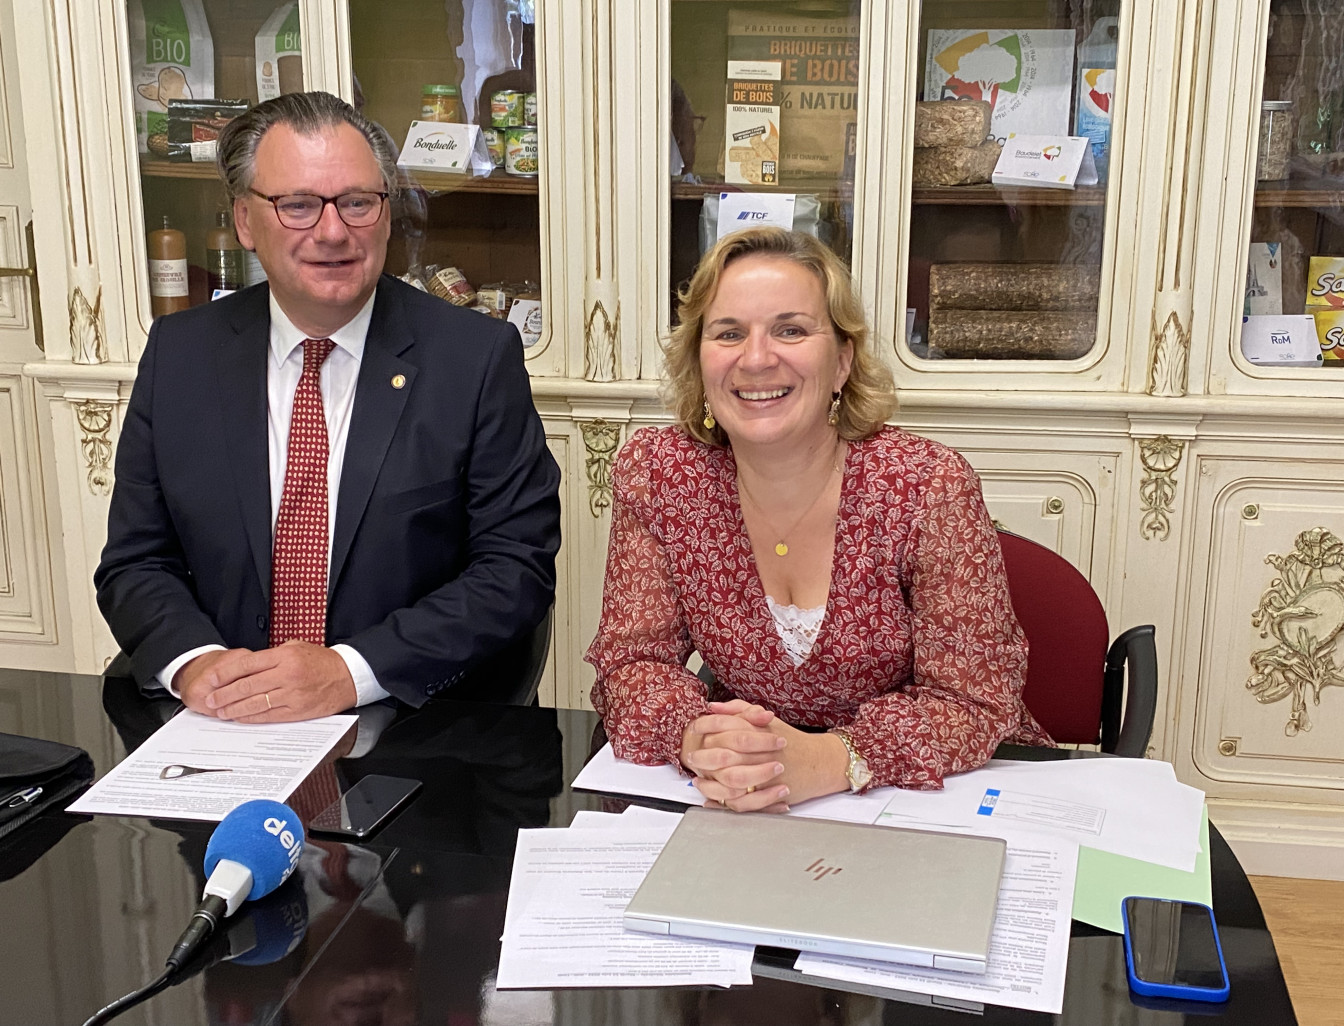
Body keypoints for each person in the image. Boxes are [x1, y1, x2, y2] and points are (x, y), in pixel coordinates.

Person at [96, 90, 560, 722]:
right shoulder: (180, 356)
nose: (333, 231)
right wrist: (195, 662)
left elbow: (515, 570)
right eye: (298, 206)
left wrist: (348, 671)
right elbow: (136, 560)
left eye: (357, 202)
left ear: (388, 213)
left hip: (404, 722)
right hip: (218, 722)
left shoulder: (473, 360)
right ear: (244, 221)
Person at [586, 227, 1050, 812]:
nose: (756, 358)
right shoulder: (660, 473)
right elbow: (631, 663)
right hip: (746, 802)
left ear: (842, 362)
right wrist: (699, 739)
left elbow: (974, 701)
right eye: (729, 333)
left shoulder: (926, 484)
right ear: (698, 362)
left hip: (930, 800)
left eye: (791, 330)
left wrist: (831, 761)